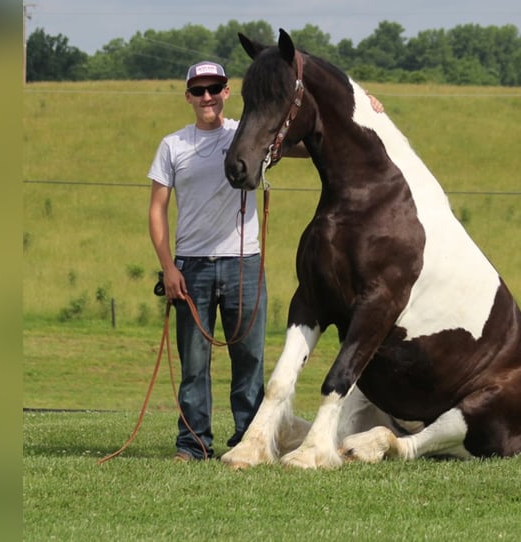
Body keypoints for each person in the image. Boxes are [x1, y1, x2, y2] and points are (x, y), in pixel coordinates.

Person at [148, 60, 384, 462]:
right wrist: (169, 268)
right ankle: (192, 445)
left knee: (250, 361)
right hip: (192, 267)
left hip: (243, 264)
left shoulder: (248, 134)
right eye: (198, 90)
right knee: (193, 365)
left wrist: (365, 106)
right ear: (188, 96)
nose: (207, 97)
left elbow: (312, 139)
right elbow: (157, 210)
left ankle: (248, 437)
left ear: (226, 92)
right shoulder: (174, 145)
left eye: (214, 88)